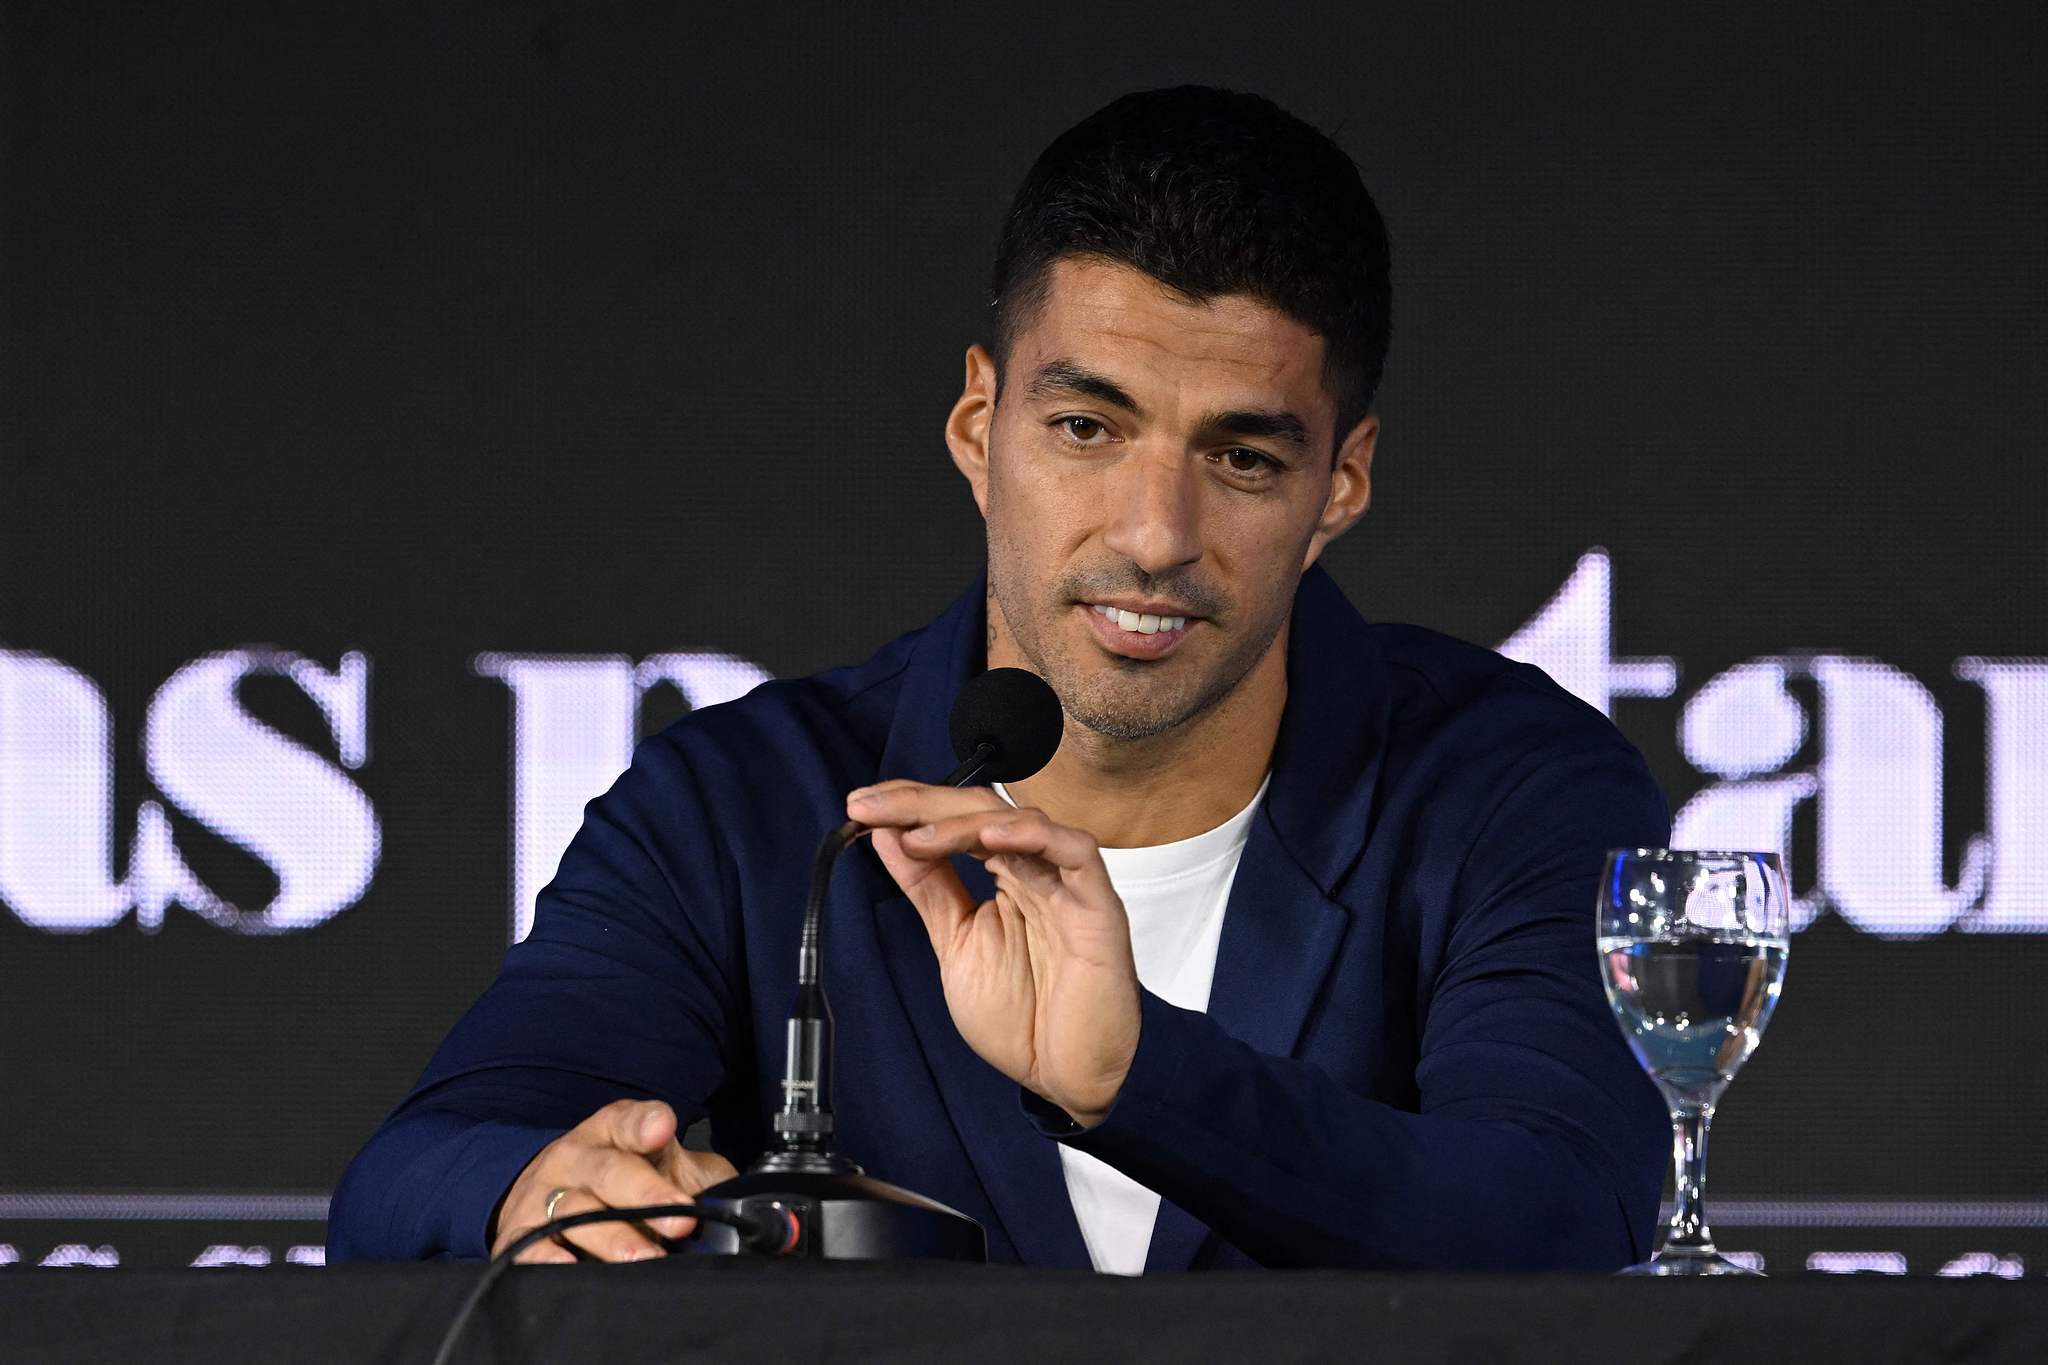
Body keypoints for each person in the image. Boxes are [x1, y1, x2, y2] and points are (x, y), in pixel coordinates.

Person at [328, 85, 1669, 1272]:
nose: (1156, 533)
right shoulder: (743, 806)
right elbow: (411, 1172)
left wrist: (1137, 1076)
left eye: (1245, 458)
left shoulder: (1513, 788)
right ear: (981, 428)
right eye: (1087, 427)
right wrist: (534, 1189)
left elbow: (1561, 1216)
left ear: (1345, 483)